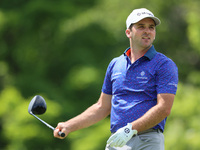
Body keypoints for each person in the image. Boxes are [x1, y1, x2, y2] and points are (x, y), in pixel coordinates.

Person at [54, 8, 178, 150]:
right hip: (117, 141)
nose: (147, 31)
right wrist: (69, 125)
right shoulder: (115, 64)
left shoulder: (164, 64)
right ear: (128, 32)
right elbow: (102, 107)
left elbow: (164, 108)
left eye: (151, 27)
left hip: (147, 140)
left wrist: (130, 129)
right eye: (141, 27)